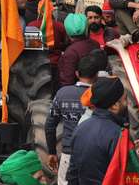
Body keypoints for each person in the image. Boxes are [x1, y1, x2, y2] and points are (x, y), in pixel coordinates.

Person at [67, 77, 139, 184]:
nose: (127, 104)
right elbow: (129, 176)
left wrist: (132, 152)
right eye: (125, 100)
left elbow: (73, 174)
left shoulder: (80, 128)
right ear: (115, 106)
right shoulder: (118, 135)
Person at [45, 56, 100, 185]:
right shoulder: (101, 94)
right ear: (97, 74)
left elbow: (49, 125)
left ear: (77, 73)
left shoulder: (63, 93)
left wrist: (52, 152)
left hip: (69, 154)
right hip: (96, 155)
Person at [58, 14, 101, 87]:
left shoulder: (71, 52)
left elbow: (67, 81)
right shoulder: (95, 44)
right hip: (96, 87)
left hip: (79, 92)